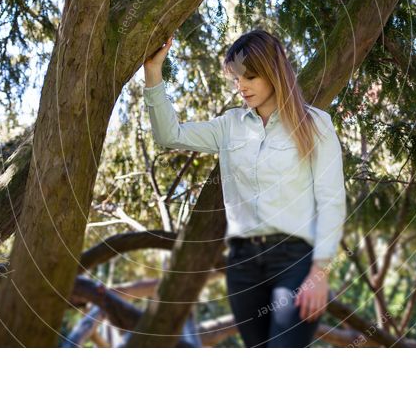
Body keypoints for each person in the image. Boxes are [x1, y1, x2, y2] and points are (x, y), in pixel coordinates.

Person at [141, 28, 346, 347]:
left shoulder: (316, 124)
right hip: (243, 265)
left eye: (250, 76)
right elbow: (169, 135)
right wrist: (153, 73)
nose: (242, 86)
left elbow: (332, 201)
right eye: (237, 78)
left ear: (274, 73)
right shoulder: (228, 126)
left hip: (295, 262)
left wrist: (320, 273)